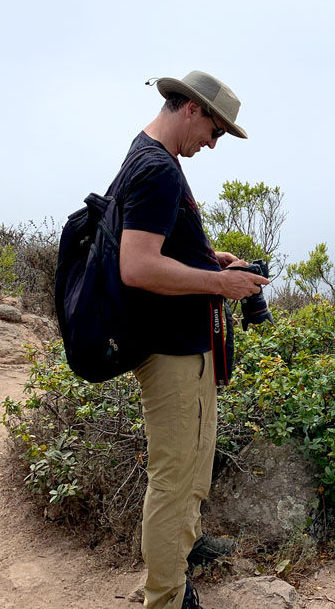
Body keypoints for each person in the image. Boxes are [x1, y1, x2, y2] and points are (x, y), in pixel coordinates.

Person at [117, 70, 269, 609]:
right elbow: (137, 266)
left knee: (193, 461)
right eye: (216, 130)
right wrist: (220, 284)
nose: (214, 142)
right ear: (192, 109)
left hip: (181, 343)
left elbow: (158, 248)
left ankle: (186, 545)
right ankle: (166, 596)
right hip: (171, 349)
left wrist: (208, 259)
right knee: (174, 477)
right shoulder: (157, 169)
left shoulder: (153, 155)